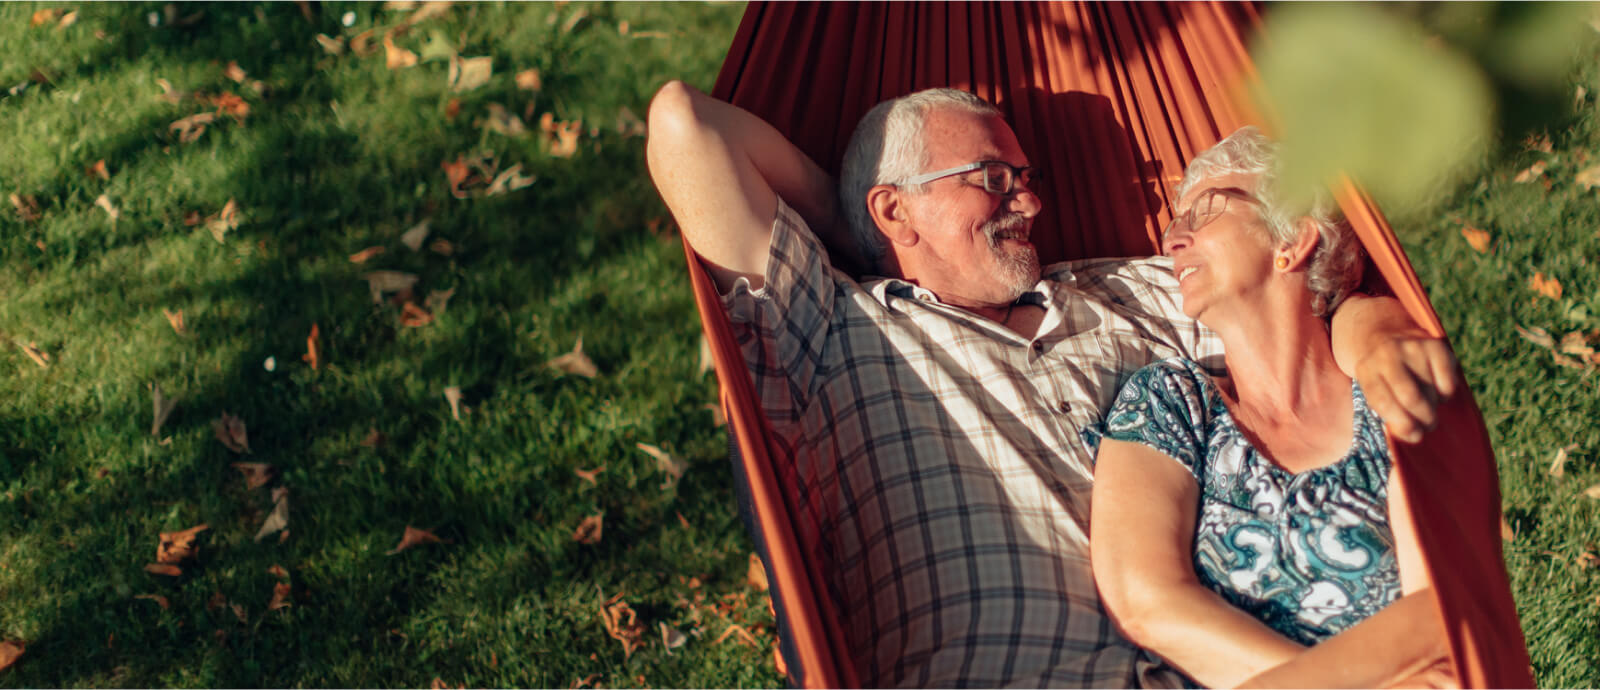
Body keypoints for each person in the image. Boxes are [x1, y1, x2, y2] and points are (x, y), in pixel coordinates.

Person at [645, 82, 1459, 687]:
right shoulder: (829, 330)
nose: (1029, 198)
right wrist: (865, 229)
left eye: (1026, 175)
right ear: (896, 208)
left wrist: (1379, 334)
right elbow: (686, 126)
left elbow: (1299, 296)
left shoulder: (1130, 292)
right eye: (991, 178)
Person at [1089, 127, 1454, 688]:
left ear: (1295, 239)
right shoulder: (1170, 404)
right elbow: (1148, 604)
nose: (1173, 240)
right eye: (1174, 221)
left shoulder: (1387, 389)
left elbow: (1442, 608)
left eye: (1204, 209)